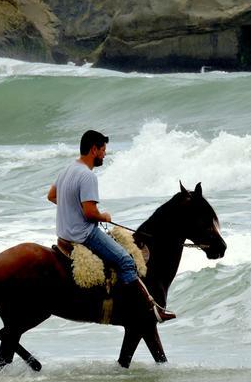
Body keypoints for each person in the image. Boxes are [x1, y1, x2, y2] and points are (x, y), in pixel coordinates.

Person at [47, 130, 175, 323]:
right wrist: (103, 216)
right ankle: (147, 308)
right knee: (126, 260)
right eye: (103, 149)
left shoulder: (67, 170)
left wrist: (72, 208)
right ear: (94, 149)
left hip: (64, 234)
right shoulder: (87, 176)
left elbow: (51, 196)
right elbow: (90, 213)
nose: (105, 154)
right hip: (83, 234)